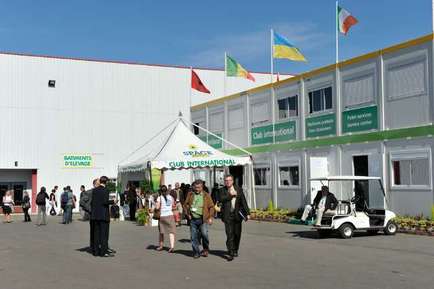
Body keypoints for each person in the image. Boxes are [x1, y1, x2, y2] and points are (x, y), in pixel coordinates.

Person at [219, 174, 250, 261]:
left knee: (237, 234)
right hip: (227, 215)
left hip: (237, 216)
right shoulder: (222, 190)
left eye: (229, 180)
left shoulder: (239, 190)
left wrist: (247, 213)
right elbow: (221, 199)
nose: (227, 182)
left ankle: (235, 249)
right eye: (226, 180)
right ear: (224, 182)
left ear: (232, 181)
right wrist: (231, 195)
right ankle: (231, 253)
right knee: (229, 234)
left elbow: (243, 202)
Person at [183, 180, 214, 259]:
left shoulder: (206, 195)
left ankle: (205, 249)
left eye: (199, 187)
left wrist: (210, 217)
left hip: (203, 219)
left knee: (204, 235)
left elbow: (211, 207)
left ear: (202, 187)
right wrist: (188, 214)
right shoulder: (190, 194)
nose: (197, 189)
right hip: (193, 219)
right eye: (195, 187)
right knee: (193, 237)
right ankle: (196, 252)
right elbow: (185, 205)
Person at [91, 176, 115, 257]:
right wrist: (113, 201)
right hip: (103, 215)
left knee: (96, 233)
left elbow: (94, 202)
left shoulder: (94, 190)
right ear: (106, 182)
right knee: (104, 234)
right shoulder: (106, 190)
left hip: (95, 215)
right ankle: (103, 252)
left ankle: (96, 251)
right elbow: (105, 202)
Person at [155, 185, 176, 253]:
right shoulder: (170, 197)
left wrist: (155, 206)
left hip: (162, 216)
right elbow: (172, 206)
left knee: (161, 232)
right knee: (171, 232)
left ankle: (161, 246)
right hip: (170, 215)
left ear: (160, 191)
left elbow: (157, 207)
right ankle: (172, 246)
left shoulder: (159, 198)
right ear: (166, 190)